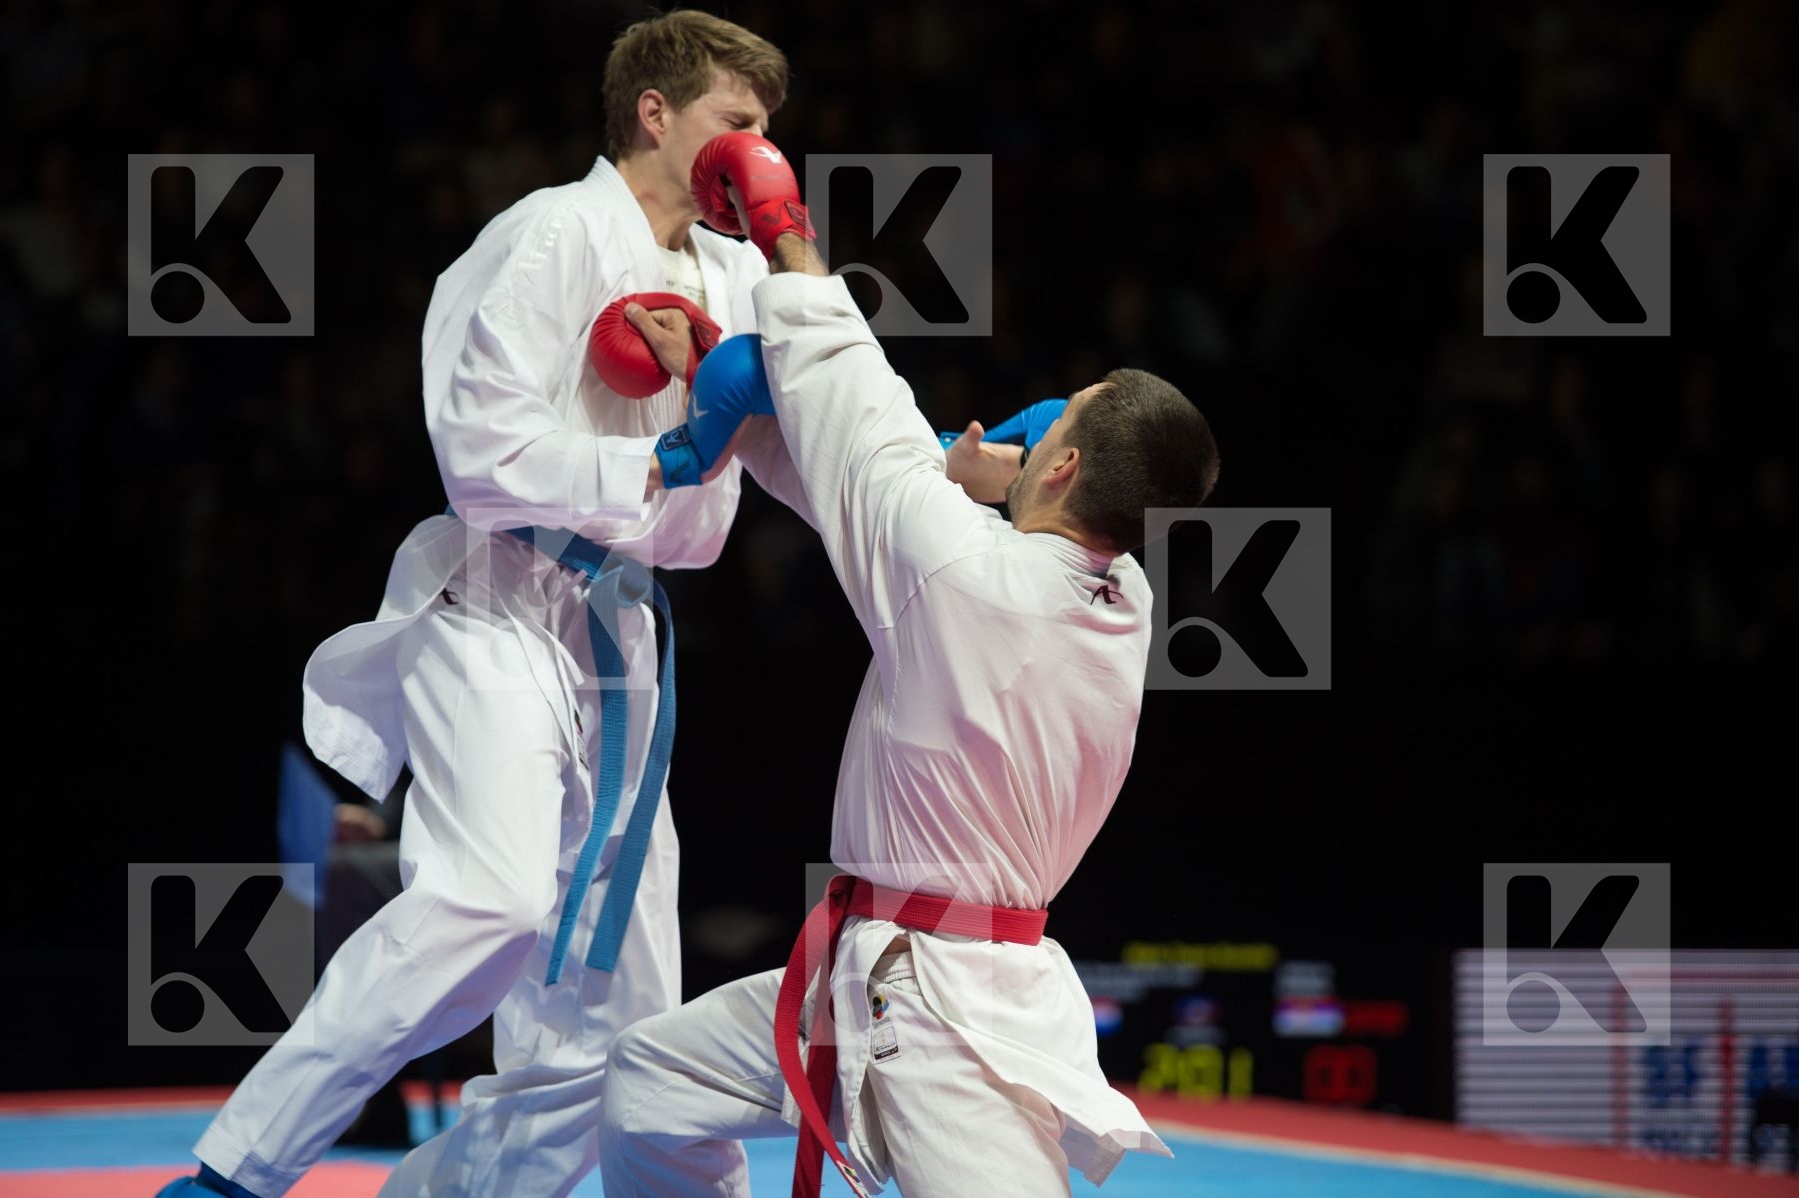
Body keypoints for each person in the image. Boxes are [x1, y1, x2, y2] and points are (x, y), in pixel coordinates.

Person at [156, 14, 791, 1198]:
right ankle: (236, 1170)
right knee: (488, 899)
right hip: (493, 602)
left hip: (626, 640)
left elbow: (741, 496)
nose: (758, 154)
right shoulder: (548, 233)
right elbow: (479, 456)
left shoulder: (743, 273)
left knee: (613, 1007)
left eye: (769, 132)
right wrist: (668, 458)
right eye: (738, 125)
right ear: (655, 114)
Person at [595, 133, 1221, 1197]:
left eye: (1056, 419)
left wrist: (782, 230)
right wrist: (730, 388)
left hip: (946, 1014)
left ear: (1061, 464)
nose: (1039, 422)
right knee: (650, 1080)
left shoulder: (968, 576)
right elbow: (868, 488)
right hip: (872, 968)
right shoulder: (1125, 595)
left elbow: (855, 406)